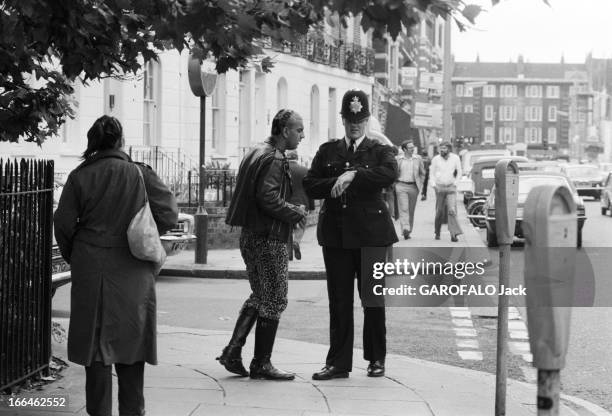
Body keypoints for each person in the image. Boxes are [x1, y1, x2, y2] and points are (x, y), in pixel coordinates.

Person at [53, 115, 178, 416]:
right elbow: (170, 215)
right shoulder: (139, 173)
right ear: (121, 140)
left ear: (92, 141)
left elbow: (63, 223)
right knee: (131, 344)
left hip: (90, 266)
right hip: (133, 268)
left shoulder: (80, 176)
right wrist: (143, 231)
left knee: (95, 349)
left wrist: (78, 254)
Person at [304, 89, 398, 380]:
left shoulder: (380, 150)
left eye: (359, 120)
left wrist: (354, 174)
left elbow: (389, 174)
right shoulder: (327, 151)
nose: (354, 125)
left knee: (372, 300)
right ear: (342, 119)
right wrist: (338, 178)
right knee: (340, 301)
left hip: (372, 235)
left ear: (367, 119)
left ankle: (376, 359)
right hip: (337, 236)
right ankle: (338, 362)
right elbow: (311, 184)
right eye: (349, 119)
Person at [220, 109, 307, 381]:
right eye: (298, 130)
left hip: (252, 235)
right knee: (275, 298)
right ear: (284, 131)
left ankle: (233, 352)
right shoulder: (274, 157)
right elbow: (267, 198)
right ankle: (261, 364)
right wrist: (296, 212)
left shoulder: (257, 151)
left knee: (260, 295)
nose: (302, 135)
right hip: (269, 238)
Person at [429, 141, 463, 242]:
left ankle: (453, 234)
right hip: (439, 188)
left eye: (444, 148)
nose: (441, 150)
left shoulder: (455, 158)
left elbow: (459, 172)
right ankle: (437, 232)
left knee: (452, 210)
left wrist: (456, 183)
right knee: (439, 211)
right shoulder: (435, 159)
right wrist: (434, 186)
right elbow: (431, 174)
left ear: (449, 149)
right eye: (440, 148)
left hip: (451, 188)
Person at [286, 149, 315, 260]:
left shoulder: (282, 169)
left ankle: (289, 254)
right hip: (302, 203)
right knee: (301, 226)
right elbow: (310, 189)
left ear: (287, 157)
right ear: (297, 158)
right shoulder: (305, 171)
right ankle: (296, 242)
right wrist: (311, 206)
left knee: (287, 227)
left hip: (286, 203)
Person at [395, 140, 426, 239]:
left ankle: (408, 231)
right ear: (404, 149)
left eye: (413, 147)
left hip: (413, 187)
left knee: (411, 210)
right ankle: (405, 228)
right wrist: (394, 184)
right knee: (404, 208)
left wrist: (420, 184)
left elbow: (422, 173)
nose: (413, 149)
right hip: (401, 186)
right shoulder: (398, 159)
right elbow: (394, 172)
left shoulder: (418, 159)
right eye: (410, 147)